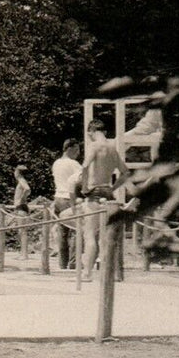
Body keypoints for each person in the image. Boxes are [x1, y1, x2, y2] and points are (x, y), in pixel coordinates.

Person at [78, 119, 132, 280]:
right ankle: (112, 273)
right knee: (106, 237)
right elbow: (125, 172)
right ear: (105, 132)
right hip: (108, 193)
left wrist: (84, 187)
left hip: (94, 192)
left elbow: (85, 166)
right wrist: (114, 188)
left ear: (91, 131)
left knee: (90, 235)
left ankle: (87, 273)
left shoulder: (93, 146)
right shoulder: (112, 148)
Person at [50, 138, 83, 269]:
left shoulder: (56, 163)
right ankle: (74, 261)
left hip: (58, 197)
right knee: (77, 230)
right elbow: (81, 179)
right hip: (69, 198)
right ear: (70, 148)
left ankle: (63, 262)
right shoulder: (73, 164)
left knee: (63, 232)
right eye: (77, 149)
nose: (78, 153)